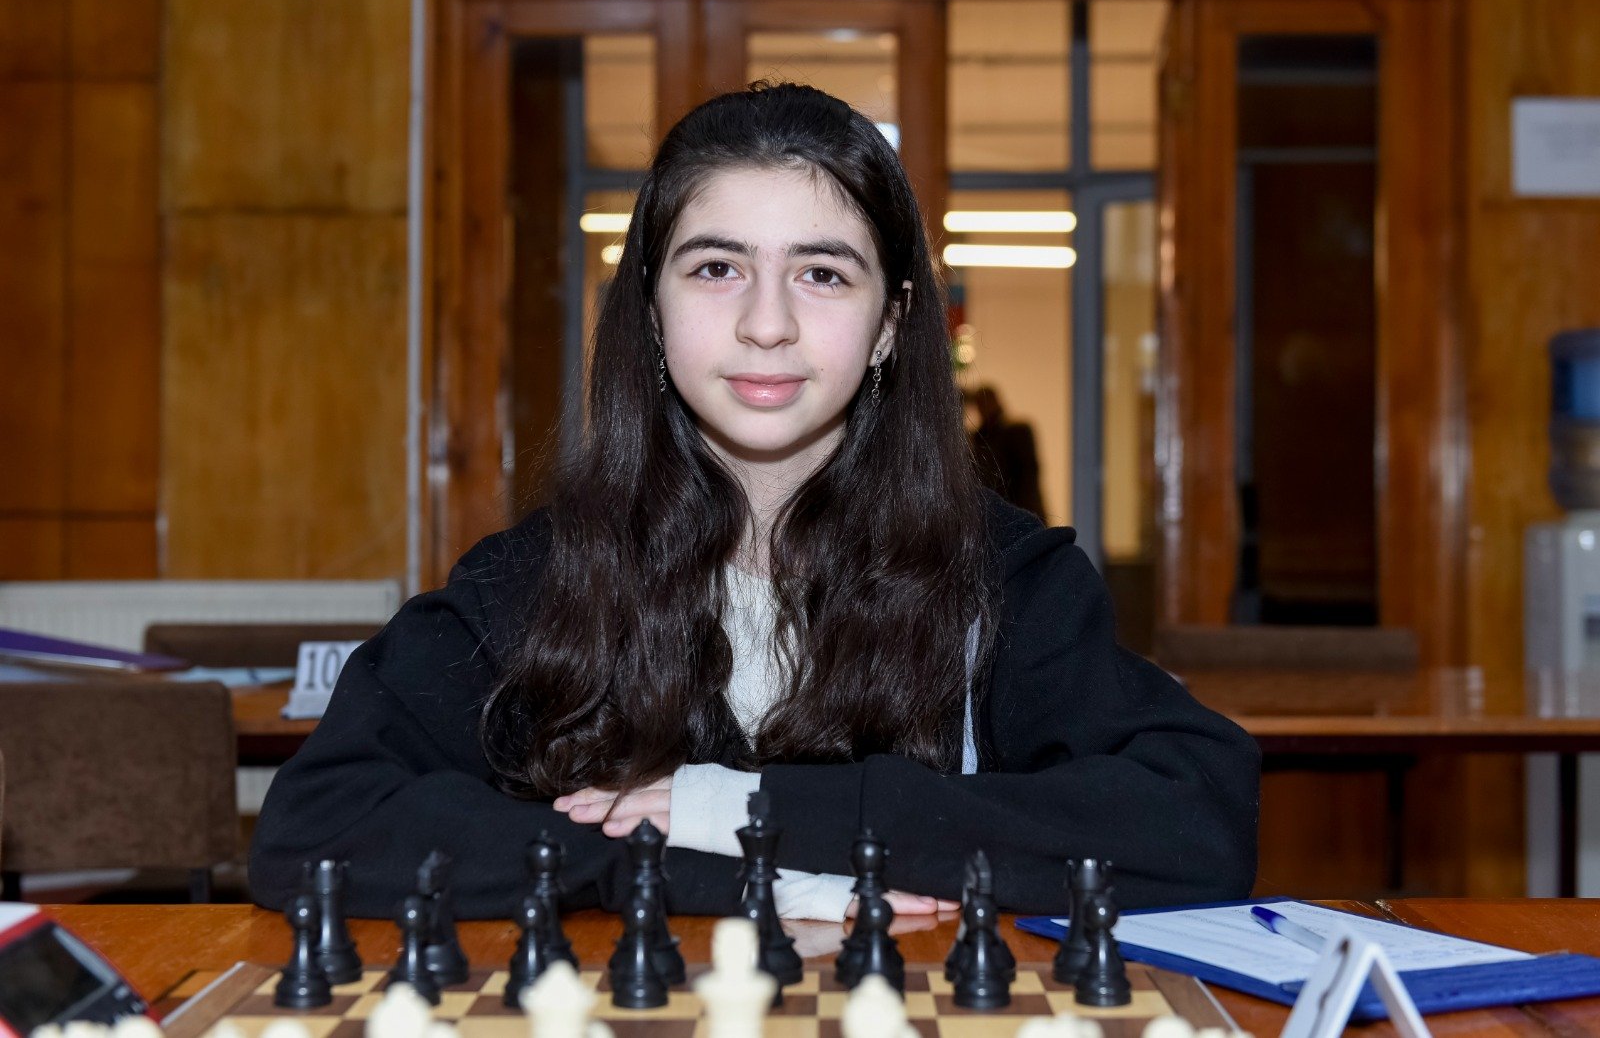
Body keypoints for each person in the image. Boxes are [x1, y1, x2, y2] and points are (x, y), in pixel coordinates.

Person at [249, 83, 1259, 922]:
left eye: (821, 273)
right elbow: (318, 825)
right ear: (652, 311)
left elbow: (1196, 818)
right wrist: (693, 872)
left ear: (889, 324)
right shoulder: (535, 579)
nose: (766, 323)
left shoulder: (1005, 580)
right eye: (717, 268)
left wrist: (737, 807)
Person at [965, 384, 1046, 520]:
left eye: (985, 402)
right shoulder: (980, 438)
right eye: (980, 403)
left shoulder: (1016, 432)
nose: (983, 407)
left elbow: (1026, 478)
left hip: (1016, 511)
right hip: (1001, 512)